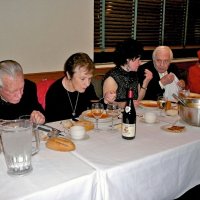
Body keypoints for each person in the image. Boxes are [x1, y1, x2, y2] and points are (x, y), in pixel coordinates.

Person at [45, 52, 99, 122]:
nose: (87, 84)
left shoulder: (88, 87)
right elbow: (52, 123)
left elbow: (96, 108)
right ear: (69, 75)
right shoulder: (55, 92)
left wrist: (106, 101)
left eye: (89, 78)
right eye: (82, 79)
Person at [102, 38, 153, 108]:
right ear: (128, 60)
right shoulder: (112, 77)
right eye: (138, 60)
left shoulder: (134, 74)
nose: (140, 63)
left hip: (130, 112)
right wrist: (126, 104)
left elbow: (137, 100)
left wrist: (146, 82)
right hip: (116, 115)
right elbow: (109, 104)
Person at [0, 60, 45, 124]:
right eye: (13, 91)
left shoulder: (29, 87)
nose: (20, 95)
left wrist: (40, 118)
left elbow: (39, 111)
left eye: (21, 88)